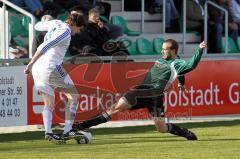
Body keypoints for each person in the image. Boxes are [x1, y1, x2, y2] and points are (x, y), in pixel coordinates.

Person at [72, 39, 207, 141]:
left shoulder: (176, 63)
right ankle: (82, 125)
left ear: (173, 51)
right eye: (162, 49)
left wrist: (199, 50)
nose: (162, 51)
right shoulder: (165, 60)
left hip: (155, 97)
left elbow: (190, 66)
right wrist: (180, 84)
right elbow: (180, 73)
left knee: (162, 128)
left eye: (164, 49)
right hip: (140, 91)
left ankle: (185, 133)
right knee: (115, 108)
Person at [24, 13, 87, 144]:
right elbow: (46, 45)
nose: (78, 32)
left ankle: (48, 132)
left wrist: (33, 64)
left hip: (38, 68)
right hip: (50, 66)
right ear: (75, 24)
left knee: (49, 104)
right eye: (79, 29)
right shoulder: (66, 31)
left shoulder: (56, 23)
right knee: (74, 96)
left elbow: (37, 25)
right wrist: (30, 62)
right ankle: (67, 131)